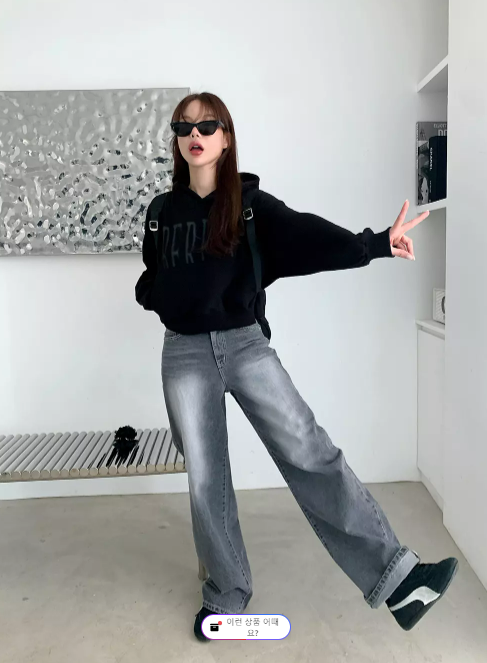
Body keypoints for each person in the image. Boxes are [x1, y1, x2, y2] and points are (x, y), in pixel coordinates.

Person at [135, 92, 458, 643]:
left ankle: (398, 580)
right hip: (184, 353)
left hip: (244, 345)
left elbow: (309, 237)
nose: (195, 135)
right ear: (176, 139)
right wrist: (159, 295)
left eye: (207, 125)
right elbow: (150, 276)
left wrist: (375, 244)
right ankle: (226, 595)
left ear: (226, 137)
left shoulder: (249, 204)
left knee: (310, 452)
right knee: (205, 480)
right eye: (184, 127)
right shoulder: (161, 213)